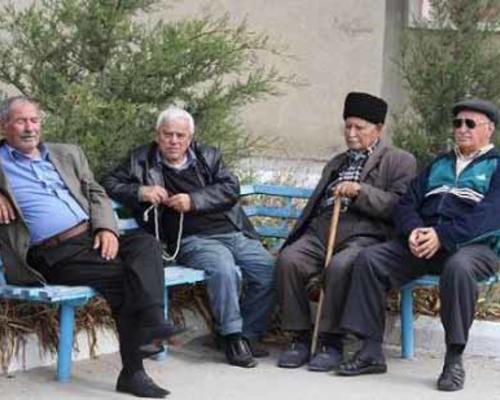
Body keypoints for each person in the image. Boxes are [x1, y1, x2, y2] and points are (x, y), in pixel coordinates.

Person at [0, 96, 177, 398]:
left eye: (34, 120)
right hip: (53, 254)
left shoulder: (66, 153)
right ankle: (136, 366)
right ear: (4, 126)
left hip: (91, 238)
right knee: (125, 278)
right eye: (21, 121)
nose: (30, 128)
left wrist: (106, 228)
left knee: (145, 243)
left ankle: (153, 324)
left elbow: (97, 193)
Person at [337, 99, 500, 392]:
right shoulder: (439, 163)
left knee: (459, 268)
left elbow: (488, 217)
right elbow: (407, 203)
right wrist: (413, 230)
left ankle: (453, 360)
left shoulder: (496, 166)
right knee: (371, 259)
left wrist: (442, 235)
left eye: (470, 124)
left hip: (474, 247)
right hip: (425, 243)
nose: (462, 129)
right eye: (458, 123)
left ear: (489, 130)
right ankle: (370, 350)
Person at [103, 106, 275, 368]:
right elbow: (109, 183)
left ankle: (248, 334)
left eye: (180, 135)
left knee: (267, 268)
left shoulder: (208, 156)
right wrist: (141, 191)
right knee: (223, 268)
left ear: (190, 138)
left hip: (231, 230)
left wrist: (194, 200)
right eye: (167, 134)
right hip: (191, 239)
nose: (173, 141)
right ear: (157, 135)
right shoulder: (140, 160)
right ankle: (232, 336)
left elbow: (231, 188)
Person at [275, 92, 416, 371]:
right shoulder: (337, 162)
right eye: (347, 126)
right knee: (289, 260)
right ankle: (300, 337)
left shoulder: (399, 160)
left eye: (359, 127)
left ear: (378, 129)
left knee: (341, 266)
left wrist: (361, 191)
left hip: (365, 234)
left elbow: (399, 206)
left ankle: (331, 341)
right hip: (323, 229)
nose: (351, 134)